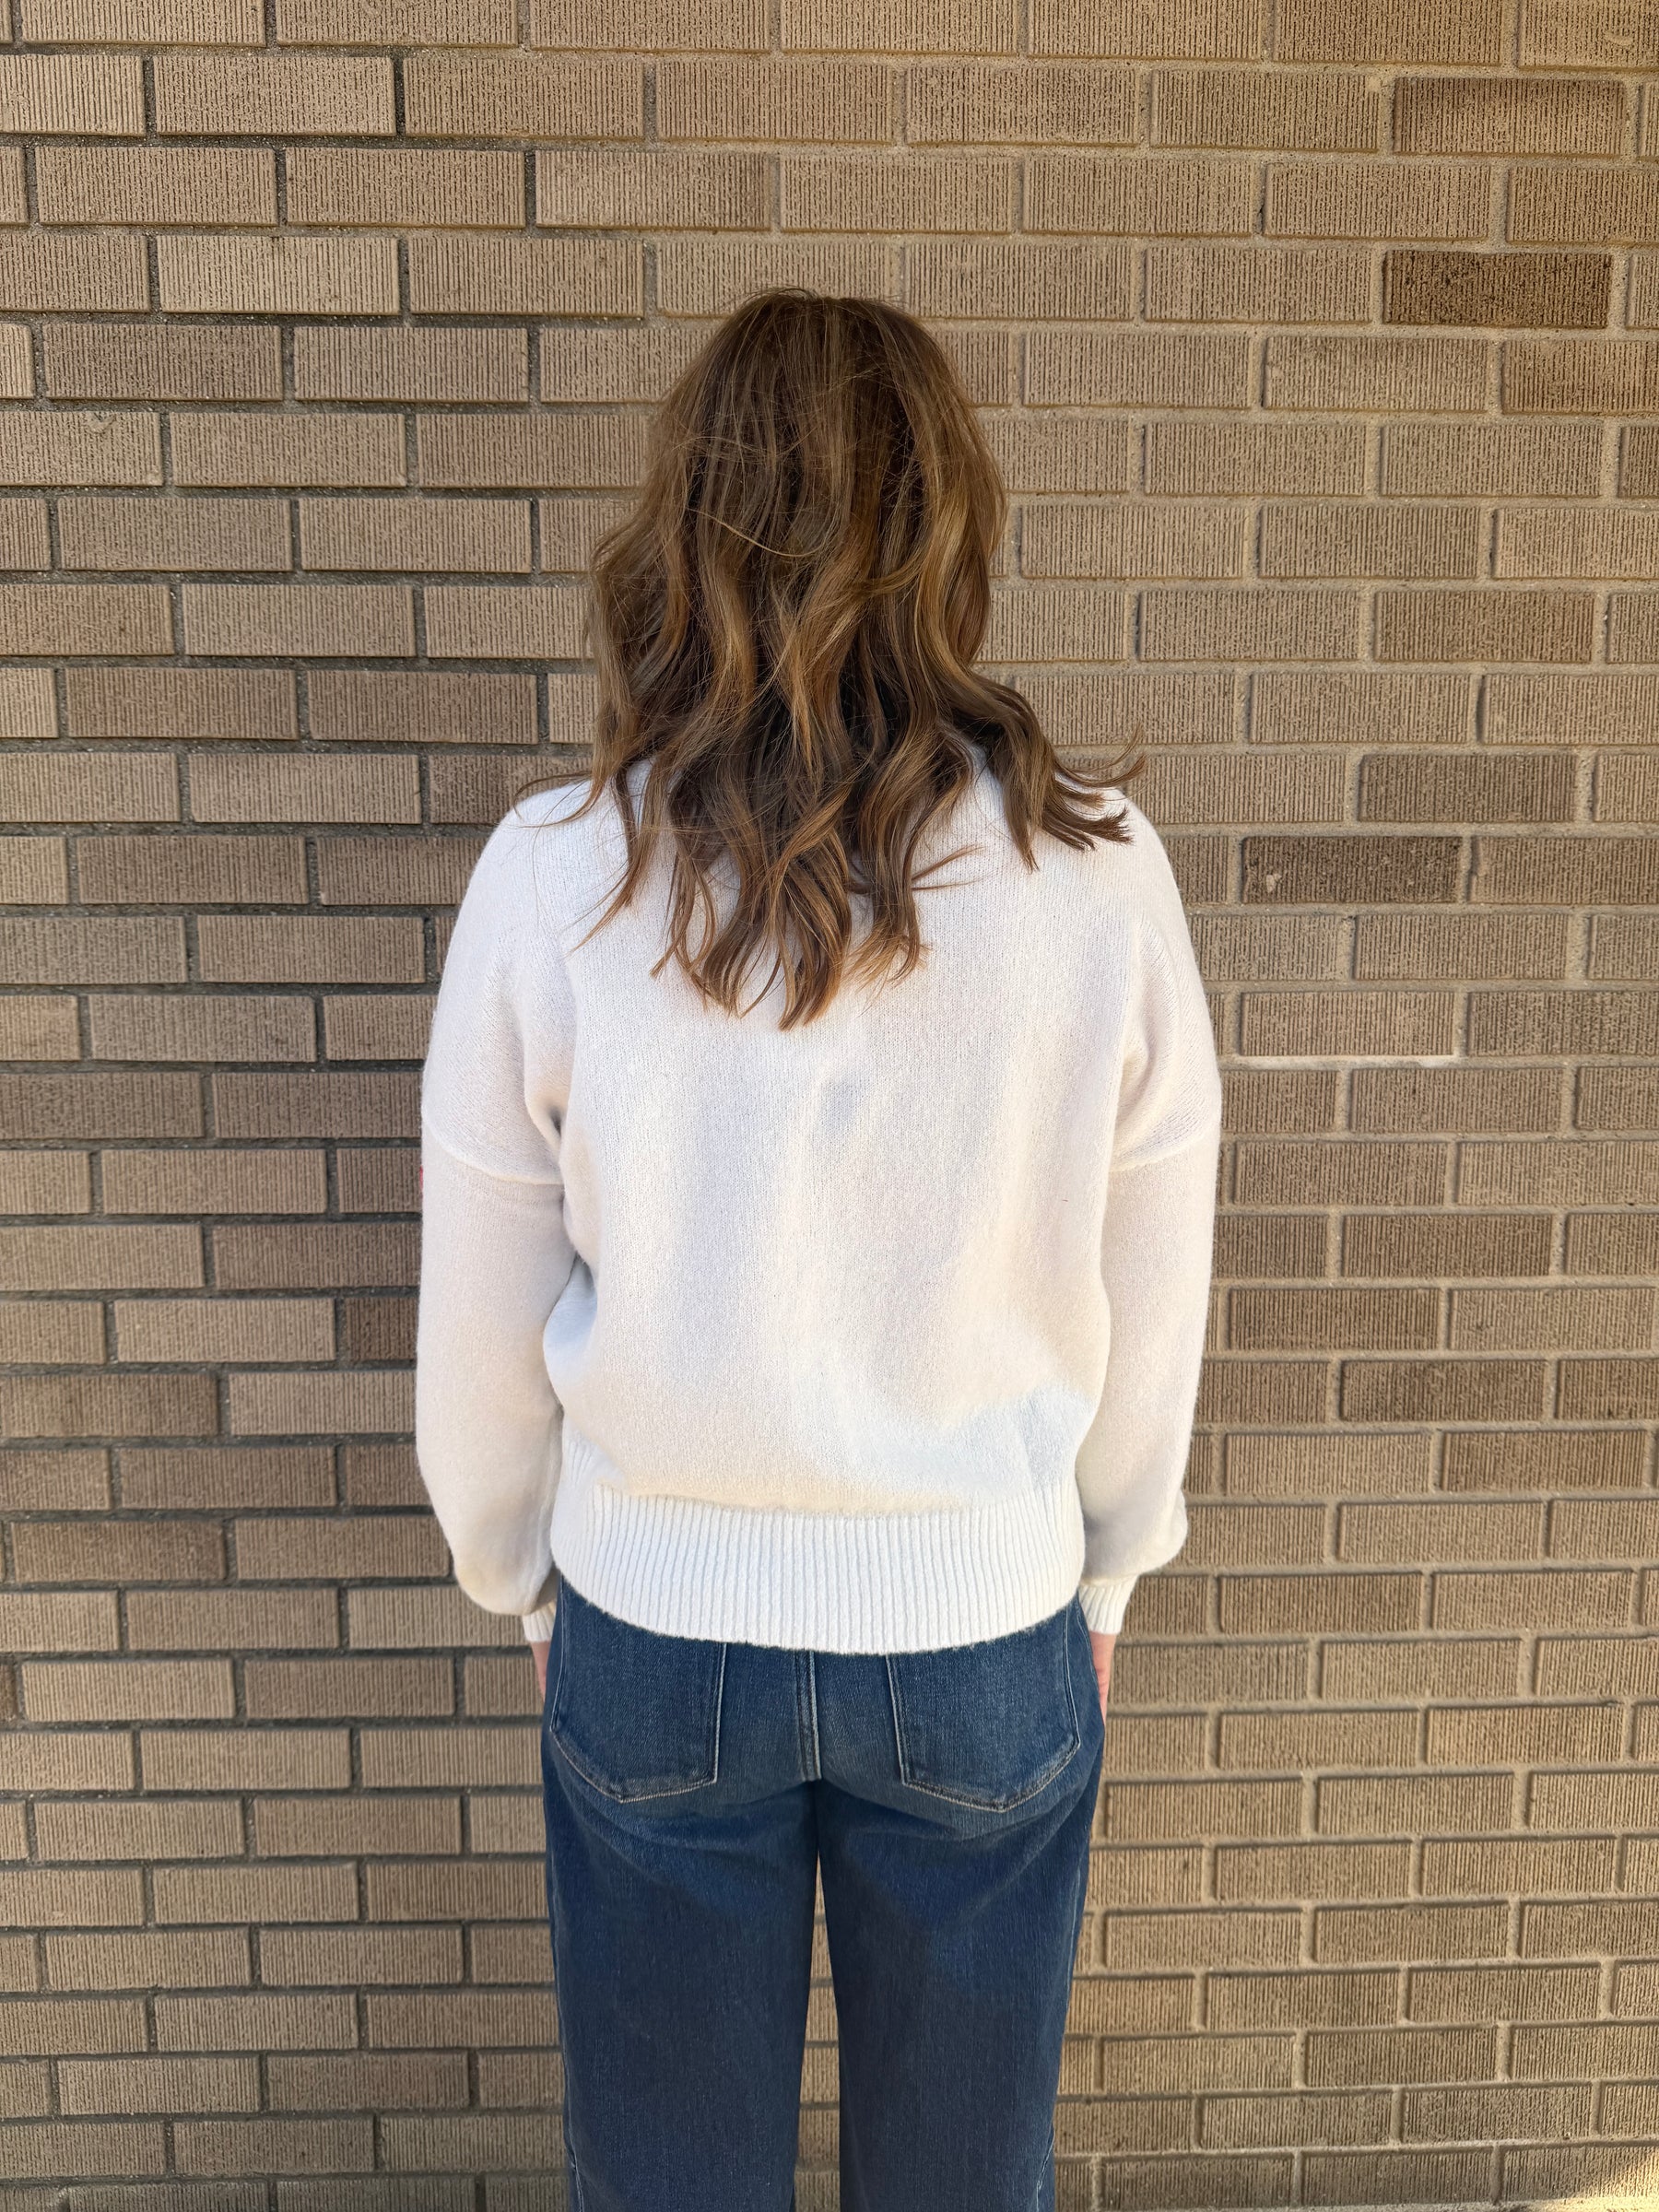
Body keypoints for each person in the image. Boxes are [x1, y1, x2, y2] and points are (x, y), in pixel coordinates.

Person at [414, 288, 1221, 2212]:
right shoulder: (1100, 875)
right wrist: (1107, 1570)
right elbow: (1155, 1278)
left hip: (655, 1627)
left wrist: (525, 1582)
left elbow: (481, 1327)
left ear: (686, 528)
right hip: (983, 1630)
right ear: (949, 529)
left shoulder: (558, 874)